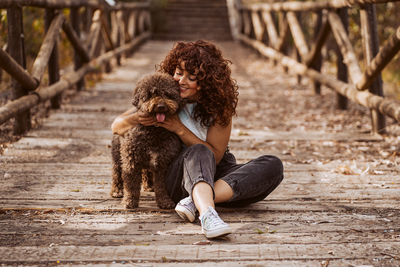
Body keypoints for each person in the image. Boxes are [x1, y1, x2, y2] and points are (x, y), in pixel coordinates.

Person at [111, 40, 284, 239]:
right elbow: (117, 126)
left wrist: (179, 128)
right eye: (178, 72)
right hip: (179, 175)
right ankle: (208, 215)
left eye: (191, 76)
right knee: (199, 151)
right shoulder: (163, 97)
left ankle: (196, 200)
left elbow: (216, 156)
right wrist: (134, 118)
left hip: (217, 169)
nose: (181, 81)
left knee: (273, 165)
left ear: (206, 81)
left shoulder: (218, 108)